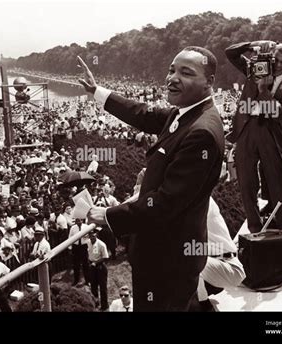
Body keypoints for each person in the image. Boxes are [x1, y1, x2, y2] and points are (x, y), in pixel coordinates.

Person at [79, 46, 225, 311]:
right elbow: (142, 113)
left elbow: (167, 202)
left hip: (168, 261)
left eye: (186, 72)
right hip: (162, 254)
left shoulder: (201, 131)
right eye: (171, 70)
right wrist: (97, 91)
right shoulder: (185, 113)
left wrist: (110, 215)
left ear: (209, 82)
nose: (173, 78)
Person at [225, 41, 282, 233]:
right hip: (246, 130)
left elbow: (280, 113)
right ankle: (254, 226)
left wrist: (263, 90)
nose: (277, 65)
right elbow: (230, 53)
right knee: (246, 181)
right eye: (275, 60)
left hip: (271, 133)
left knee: (277, 181)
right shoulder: (255, 68)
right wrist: (252, 44)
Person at [87, 230, 109, 311]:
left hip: (100, 267)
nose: (92, 238)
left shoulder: (101, 244)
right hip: (92, 267)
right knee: (93, 286)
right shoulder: (88, 242)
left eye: (94, 236)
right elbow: (89, 252)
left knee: (102, 287)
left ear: (96, 235)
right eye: (91, 236)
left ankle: (104, 306)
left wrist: (96, 263)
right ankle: (95, 304)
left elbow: (106, 257)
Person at [68, 218, 90, 285]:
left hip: (84, 246)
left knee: (85, 264)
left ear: (82, 220)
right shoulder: (73, 228)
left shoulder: (86, 227)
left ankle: (87, 281)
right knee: (76, 265)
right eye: (77, 221)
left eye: (79, 220)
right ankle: (76, 280)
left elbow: (89, 236)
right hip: (76, 247)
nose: (78, 222)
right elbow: (70, 238)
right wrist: (70, 248)